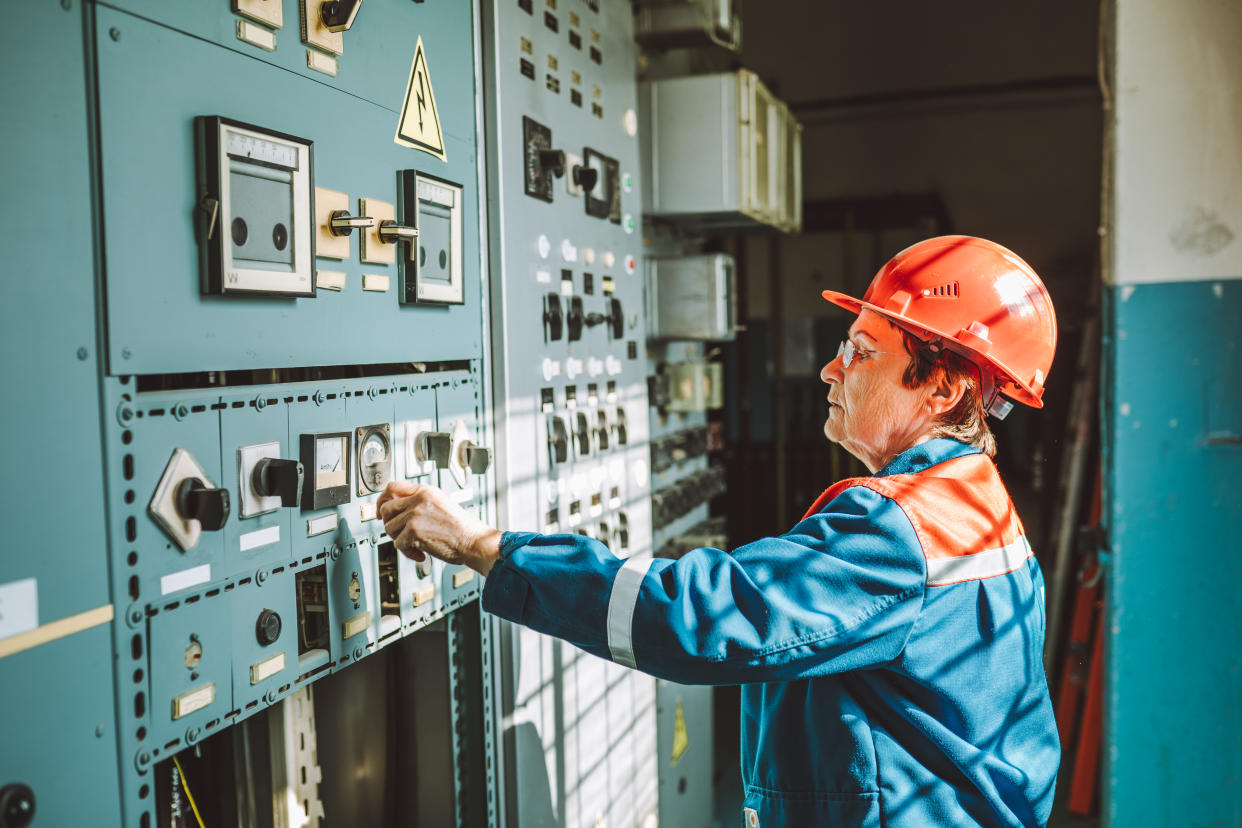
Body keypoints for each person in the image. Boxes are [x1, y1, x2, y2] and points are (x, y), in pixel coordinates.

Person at [378, 235, 1061, 827]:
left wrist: (482, 548)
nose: (830, 369)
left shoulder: (900, 526)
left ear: (942, 390)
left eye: (860, 350)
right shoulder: (976, 501)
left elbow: (700, 617)